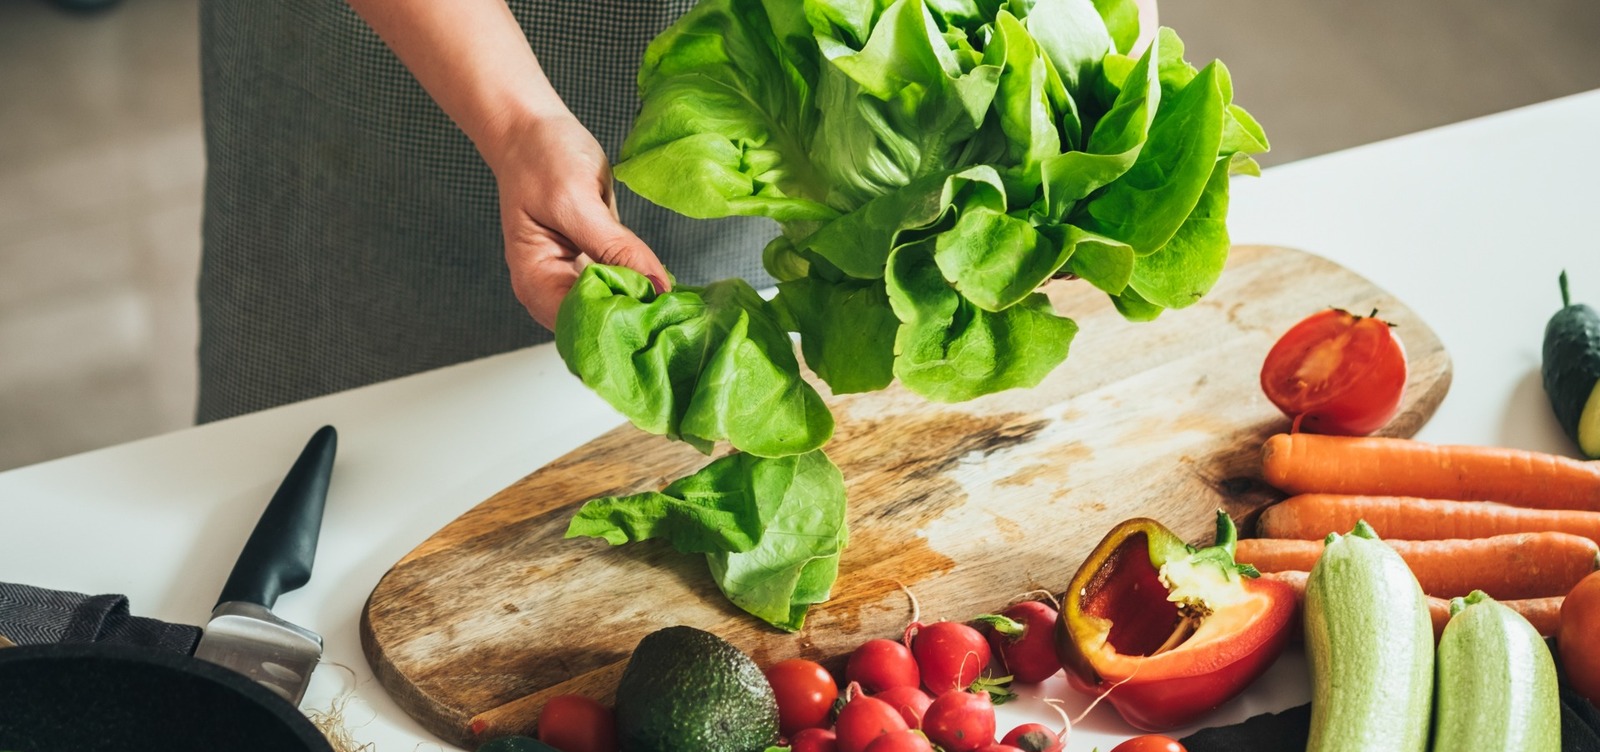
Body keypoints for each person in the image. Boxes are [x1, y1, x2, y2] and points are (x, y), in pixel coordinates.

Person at [195, 0, 1157, 423]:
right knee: (322, 485)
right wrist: (521, 119)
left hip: (763, 85)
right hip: (402, 90)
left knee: (690, 404)